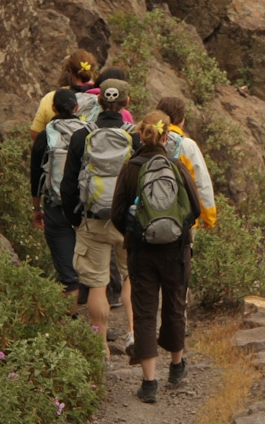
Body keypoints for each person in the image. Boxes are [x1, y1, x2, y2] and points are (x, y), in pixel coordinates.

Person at [111, 110, 200, 404]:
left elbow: (116, 213)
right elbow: (195, 209)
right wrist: (176, 231)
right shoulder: (176, 166)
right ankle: (176, 367)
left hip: (141, 253)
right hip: (176, 251)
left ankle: (149, 384)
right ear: (166, 136)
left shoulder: (130, 169)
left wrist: (136, 233)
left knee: (146, 312)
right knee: (175, 306)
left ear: (141, 133)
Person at [61, 79, 137, 358]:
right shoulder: (136, 137)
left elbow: (68, 184)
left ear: (99, 102)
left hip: (92, 219)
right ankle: (134, 333)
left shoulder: (82, 136)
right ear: (126, 103)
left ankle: (100, 346)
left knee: (97, 284)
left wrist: (75, 219)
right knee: (130, 277)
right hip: (127, 222)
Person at [29, 88, 85, 314]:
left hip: (55, 207)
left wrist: (36, 208)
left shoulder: (45, 136)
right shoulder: (88, 132)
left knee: (67, 273)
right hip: (84, 207)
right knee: (92, 269)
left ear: (53, 108)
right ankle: (97, 326)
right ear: (76, 108)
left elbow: (36, 175)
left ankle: (71, 323)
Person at [155, 97, 217, 229]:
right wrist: (209, 218)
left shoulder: (147, 138)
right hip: (183, 220)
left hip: (150, 216)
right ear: (182, 120)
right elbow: (201, 183)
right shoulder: (187, 146)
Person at [31, 49, 100, 140]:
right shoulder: (103, 98)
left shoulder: (52, 98)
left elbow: (36, 135)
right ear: (93, 69)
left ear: (70, 70)